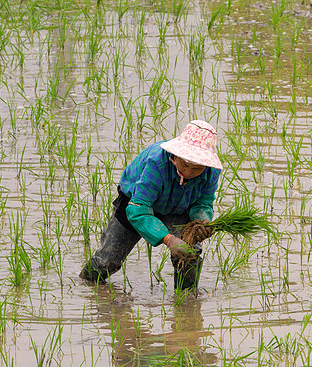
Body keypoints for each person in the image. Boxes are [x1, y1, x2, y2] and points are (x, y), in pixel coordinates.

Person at [80, 120, 222, 289]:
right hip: (137, 202)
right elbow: (137, 210)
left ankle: (186, 306)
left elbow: (203, 202)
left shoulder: (211, 170)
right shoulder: (157, 163)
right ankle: (84, 287)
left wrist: (203, 221)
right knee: (108, 260)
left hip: (180, 205)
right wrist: (168, 239)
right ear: (176, 155)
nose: (189, 173)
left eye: (197, 169)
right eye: (185, 165)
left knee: (189, 255)